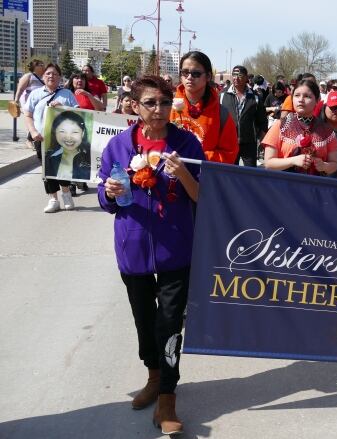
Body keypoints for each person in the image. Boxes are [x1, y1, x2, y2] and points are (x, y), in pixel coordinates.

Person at [98, 75, 204, 435]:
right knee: (144, 320)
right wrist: (110, 191)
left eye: (163, 102)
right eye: (149, 103)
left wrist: (184, 174)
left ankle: (168, 398)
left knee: (170, 323)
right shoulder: (118, 146)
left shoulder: (187, 144)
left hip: (176, 249)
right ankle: (153, 377)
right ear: (134, 106)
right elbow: (104, 197)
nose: (158, 110)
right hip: (133, 248)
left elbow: (202, 197)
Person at [23, 63, 79, 213]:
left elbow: (78, 114)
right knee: (47, 169)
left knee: (63, 167)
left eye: (54, 74)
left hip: (62, 138)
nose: (51, 76)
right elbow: (27, 115)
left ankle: (66, 194)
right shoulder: (35, 94)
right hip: (42, 138)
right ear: (43, 76)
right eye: (48, 73)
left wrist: (63, 107)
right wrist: (33, 131)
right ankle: (53, 199)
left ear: (60, 77)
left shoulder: (67, 94)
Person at [171, 51, 239, 164]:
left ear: (208, 76)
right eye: (185, 72)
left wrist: (196, 156)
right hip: (169, 175)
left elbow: (229, 154)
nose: (189, 77)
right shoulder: (167, 106)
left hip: (203, 178)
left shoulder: (221, 114)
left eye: (196, 73)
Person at [262, 79, 337, 175]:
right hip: (284, 186)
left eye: (307, 96)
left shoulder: (326, 130)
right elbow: (268, 163)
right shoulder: (280, 125)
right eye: (297, 95)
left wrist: (324, 166)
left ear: (317, 100)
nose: (301, 100)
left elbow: (334, 164)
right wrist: (293, 161)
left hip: (315, 187)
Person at [220, 65, 268, 167]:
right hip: (228, 142)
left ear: (246, 78)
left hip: (249, 142)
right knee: (230, 172)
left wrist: (263, 140)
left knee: (249, 173)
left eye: (240, 75)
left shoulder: (255, 97)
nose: (236, 78)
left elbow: (263, 120)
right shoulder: (222, 95)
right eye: (234, 75)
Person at [44, 110, 91, 181]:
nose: (69, 137)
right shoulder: (50, 157)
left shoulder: (92, 156)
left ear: (83, 132)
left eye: (74, 132)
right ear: (55, 132)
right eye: (62, 131)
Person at [14, 59, 46, 149]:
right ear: (34, 67)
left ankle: (32, 139)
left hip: (40, 103)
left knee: (39, 121)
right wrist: (16, 101)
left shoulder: (44, 77)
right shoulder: (29, 76)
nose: (43, 66)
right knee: (33, 120)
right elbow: (20, 89)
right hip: (29, 102)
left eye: (43, 64)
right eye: (40, 64)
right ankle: (29, 140)